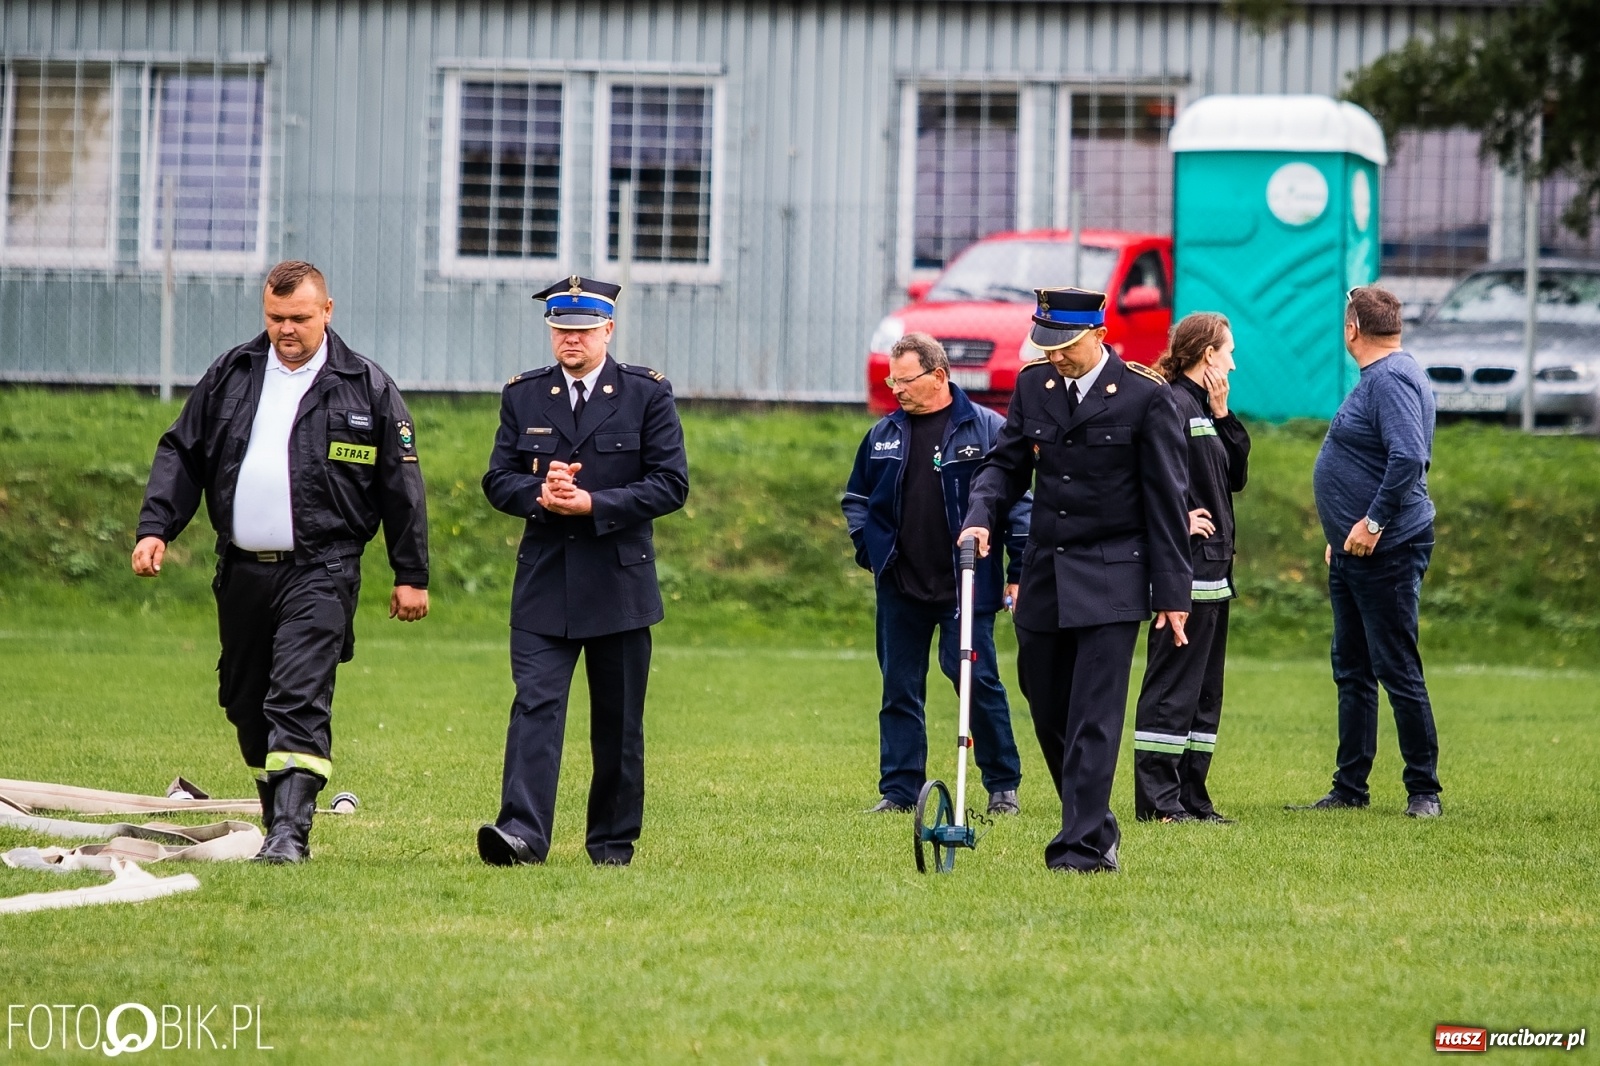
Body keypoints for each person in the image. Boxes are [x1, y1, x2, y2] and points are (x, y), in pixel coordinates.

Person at [133, 260, 430, 864]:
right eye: (275, 317)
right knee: (245, 701)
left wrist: (410, 573)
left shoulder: (365, 385)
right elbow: (182, 452)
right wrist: (156, 526)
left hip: (323, 568)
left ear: (328, 311)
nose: (286, 329)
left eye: (299, 317)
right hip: (242, 570)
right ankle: (277, 819)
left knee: (296, 695)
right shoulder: (233, 374)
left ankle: (291, 836)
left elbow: (401, 484)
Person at [959, 286, 1191, 873]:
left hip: (1114, 574)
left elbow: (1167, 499)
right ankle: (1096, 820)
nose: (1054, 355)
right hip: (1045, 572)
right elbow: (1006, 464)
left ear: (1099, 335)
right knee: (1044, 699)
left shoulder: (1144, 399)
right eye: (1047, 344)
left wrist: (1172, 593)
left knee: (1094, 711)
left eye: (1065, 345)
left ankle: (1081, 847)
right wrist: (981, 517)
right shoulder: (1035, 386)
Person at [477, 276, 689, 867]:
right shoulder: (523, 396)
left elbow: (671, 484)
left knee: (618, 723)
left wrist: (595, 503)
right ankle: (521, 836)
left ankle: (611, 844)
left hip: (618, 581)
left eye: (582, 331)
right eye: (560, 331)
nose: (570, 341)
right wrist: (538, 493)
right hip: (545, 579)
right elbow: (498, 480)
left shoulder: (646, 394)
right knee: (534, 708)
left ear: (608, 331)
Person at [841, 332, 1030, 817]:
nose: (896, 389)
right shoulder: (883, 433)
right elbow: (856, 499)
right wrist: (870, 550)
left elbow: (1019, 502)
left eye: (905, 380)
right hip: (900, 585)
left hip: (967, 585)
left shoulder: (988, 429)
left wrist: (1019, 568)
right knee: (899, 687)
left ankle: (1002, 784)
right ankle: (901, 790)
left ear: (939, 376)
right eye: (892, 379)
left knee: (976, 680)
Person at [1290, 285, 1442, 818]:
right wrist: (1343, 538)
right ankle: (1349, 788)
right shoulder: (1383, 377)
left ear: (1352, 329)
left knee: (1396, 667)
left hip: (1388, 548)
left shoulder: (1392, 379)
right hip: (1352, 551)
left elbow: (1408, 458)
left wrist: (1372, 524)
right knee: (1352, 669)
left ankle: (1424, 791)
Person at [1132, 313, 1251, 824]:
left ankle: (1191, 798)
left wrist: (1224, 416)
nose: (1233, 361)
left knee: (1204, 693)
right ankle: (1158, 801)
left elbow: (1235, 477)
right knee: (1172, 687)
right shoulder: (1170, 403)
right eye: (1228, 351)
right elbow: (1147, 477)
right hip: (1184, 573)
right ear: (1207, 355)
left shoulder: (1203, 407)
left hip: (1215, 573)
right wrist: (1178, 518)